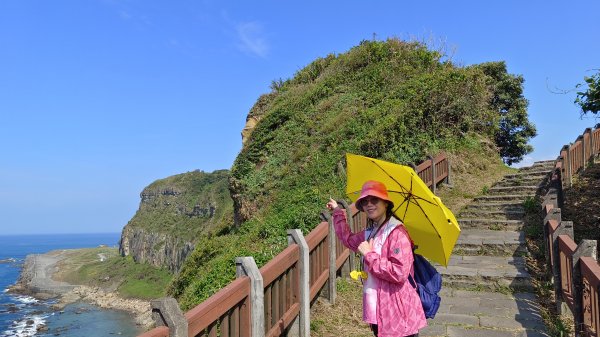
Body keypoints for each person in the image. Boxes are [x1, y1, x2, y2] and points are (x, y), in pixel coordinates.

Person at [326, 180, 426, 337]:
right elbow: (347, 239)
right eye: (365, 201)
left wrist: (369, 255)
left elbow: (399, 272)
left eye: (374, 199)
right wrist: (338, 212)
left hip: (398, 313)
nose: (369, 204)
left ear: (386, 203)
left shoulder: (397, 233)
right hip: (378, 311)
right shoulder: (371, 232)